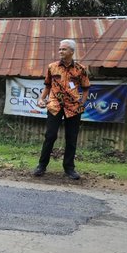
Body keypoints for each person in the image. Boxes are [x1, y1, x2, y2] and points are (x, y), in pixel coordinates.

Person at [33, 39, 90, 180]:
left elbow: (86, 88)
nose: (60, 52)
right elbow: (47, 85)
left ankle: (69, 168)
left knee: (71, 138)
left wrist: (82, 103)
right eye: (59, 49)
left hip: (73, 107)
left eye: (63, 49)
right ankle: (41, 166)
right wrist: (41, 99)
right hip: (55, 106)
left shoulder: (81, 69)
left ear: (71, 51)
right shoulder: (52, 67)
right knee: (50, 136)